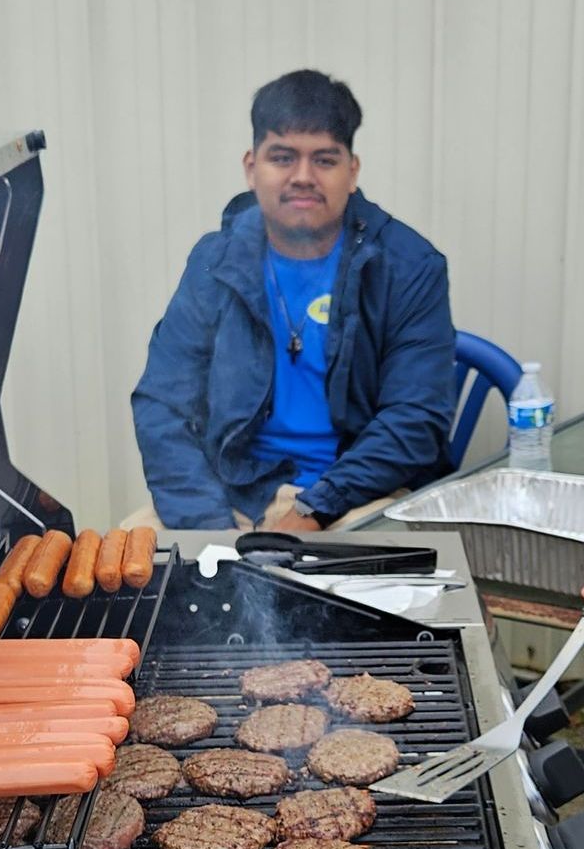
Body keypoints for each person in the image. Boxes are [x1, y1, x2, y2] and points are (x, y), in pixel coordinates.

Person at [129, 70, 456, 531]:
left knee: (349, 601)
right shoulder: (217, 260)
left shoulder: (407, 266)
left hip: (357, 498)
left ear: (352, 170)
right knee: (131, 579)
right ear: (251, 167)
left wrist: (311, 511)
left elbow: (414, 421)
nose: (303, 177)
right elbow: (163, 406)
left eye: (324, 160)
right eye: (282, 157)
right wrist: (212, 535)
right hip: (232, 495)